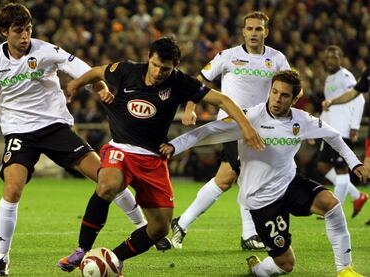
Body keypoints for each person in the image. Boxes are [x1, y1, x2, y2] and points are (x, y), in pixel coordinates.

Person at [57, 37, 264, 274]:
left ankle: (115, 258)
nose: (158, 72)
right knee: (107, 186)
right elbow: (96, 72)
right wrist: (74, 85)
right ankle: (82, 249)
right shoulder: (127, 70)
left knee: (160, 228)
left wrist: (246, 127)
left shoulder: (180, 83)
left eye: (165, 68)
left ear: (175, 64)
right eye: (155, 65)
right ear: (149, 58)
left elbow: (223, 100)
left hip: (153, 158)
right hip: (121, 149)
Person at [0, 3, 146, 276]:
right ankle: (1, 258)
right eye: (18, 31)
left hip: (54, 126)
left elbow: (78, 68)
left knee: (105, 175)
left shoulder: (46, 51)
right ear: (4, 31)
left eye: (28, 29)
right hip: (19, 132)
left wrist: (98, 85)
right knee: (13, 187)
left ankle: (143, 228)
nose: (25, 36)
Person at [160, 70, 367, 277]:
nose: (277, 99)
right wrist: (175, 145)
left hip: (289, 183)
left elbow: (334, 136)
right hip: (262, 200)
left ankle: (345, 269)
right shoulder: (249, 118)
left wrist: (354, 162)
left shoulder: (302, 120)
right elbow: (208, 131)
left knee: (331, 204)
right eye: (274, 92)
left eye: (284, 95)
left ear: (295, 99)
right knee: (285, 265)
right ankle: (257, 268)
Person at [170, 11, 290, 250]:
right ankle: (249, 235)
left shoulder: (277, 59)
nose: (254, 33)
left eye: (259, 29)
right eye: (250, 29)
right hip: (231, 124)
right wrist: (190, 108)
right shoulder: (227, 56)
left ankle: (181, 223)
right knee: (248, 172)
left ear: (266, 32)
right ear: (243, 31)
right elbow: (200, 81)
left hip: (260, 125)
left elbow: (292, 86)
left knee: (225, 179)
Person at [317, 45, 368, 218]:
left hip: (342, 130)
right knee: (323, 166)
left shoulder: (345, 76)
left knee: (341, 169)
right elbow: (328, 105)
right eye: (328, 57)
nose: (331, 61)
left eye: (334, 57)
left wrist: (354, 126)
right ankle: (357, 196)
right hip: (329, 129)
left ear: (341, 59)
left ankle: (332, 210)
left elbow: (359, 99)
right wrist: (317, 128)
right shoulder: (330, 78)